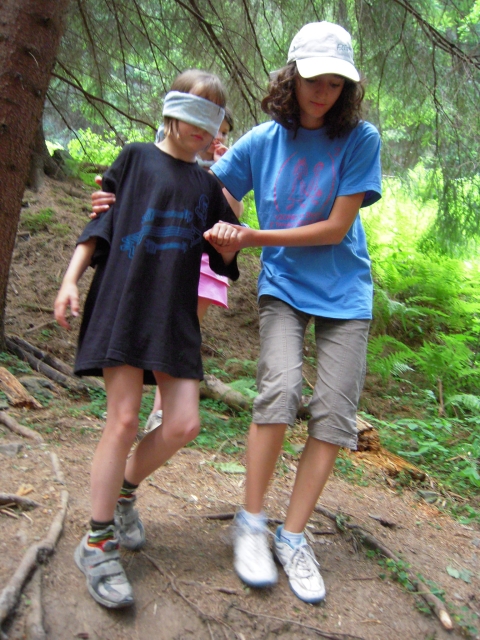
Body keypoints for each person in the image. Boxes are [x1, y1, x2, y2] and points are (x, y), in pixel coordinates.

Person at [204, 21, 382, 604]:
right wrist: (121, 189)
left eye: (335, 83)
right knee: (278, 390)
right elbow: (208, 193)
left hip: (345, 293)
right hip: (283, 287)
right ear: (291, 76)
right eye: (313, 79)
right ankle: (251, 523)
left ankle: (294, 536)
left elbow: (335, 228)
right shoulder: (263, 141)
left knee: (334, 415)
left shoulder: (360, 139)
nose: (323, 92)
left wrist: (251, 237)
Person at [54, 69, 240, 609]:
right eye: (193, 114)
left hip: (174, 315)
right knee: (124, 419)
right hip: (124, 302)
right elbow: (99, 227)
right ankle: (97, 542)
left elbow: (224, 258)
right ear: (170, 110)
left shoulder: (208, 187)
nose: (201, 129)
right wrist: (70, 280)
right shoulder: (135, 158)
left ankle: (123, 491)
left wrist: (231, 237)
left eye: (212, 120)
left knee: (183, 424)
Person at [91, 108, 243, 436]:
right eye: (212, 126)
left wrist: (226, 171)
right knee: (155, 326)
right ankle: (130, 406)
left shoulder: (221, 171)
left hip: (206, 265)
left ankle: (161, 411)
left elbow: (233, 219)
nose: (217, 136)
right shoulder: (165, 156)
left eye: (223, 131)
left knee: (180, 337)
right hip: (165, 258)